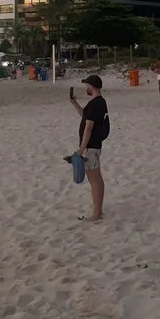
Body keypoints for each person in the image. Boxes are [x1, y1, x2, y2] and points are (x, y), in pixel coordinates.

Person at [69, 75, 111, 222]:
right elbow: (85, 116)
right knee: (97, 179)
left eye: (87, 85)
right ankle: (98, 211)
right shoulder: (100, 102)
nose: (86, 88)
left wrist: (82, 149)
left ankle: (97, 214)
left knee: (94, 180)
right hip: (94, 145)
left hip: (91, 146)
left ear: (91, 87)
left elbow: (88, 127)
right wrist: (75, 103)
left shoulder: (95, 104)